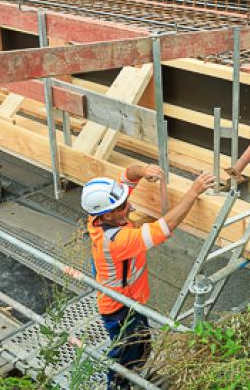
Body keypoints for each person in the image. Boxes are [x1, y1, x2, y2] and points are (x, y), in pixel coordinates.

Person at [81, 163, 216, 389]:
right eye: (124, 206)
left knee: (142, 345)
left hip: (130, 301)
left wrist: (143, 170)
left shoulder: (99, 216)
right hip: (119, 308)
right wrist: (194, 191)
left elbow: (127, 175)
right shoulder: (118, 242)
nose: (130, 206)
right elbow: (165, 227)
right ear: (107, 214)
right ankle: (117, 386)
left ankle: (136, 376)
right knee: (125, 353)